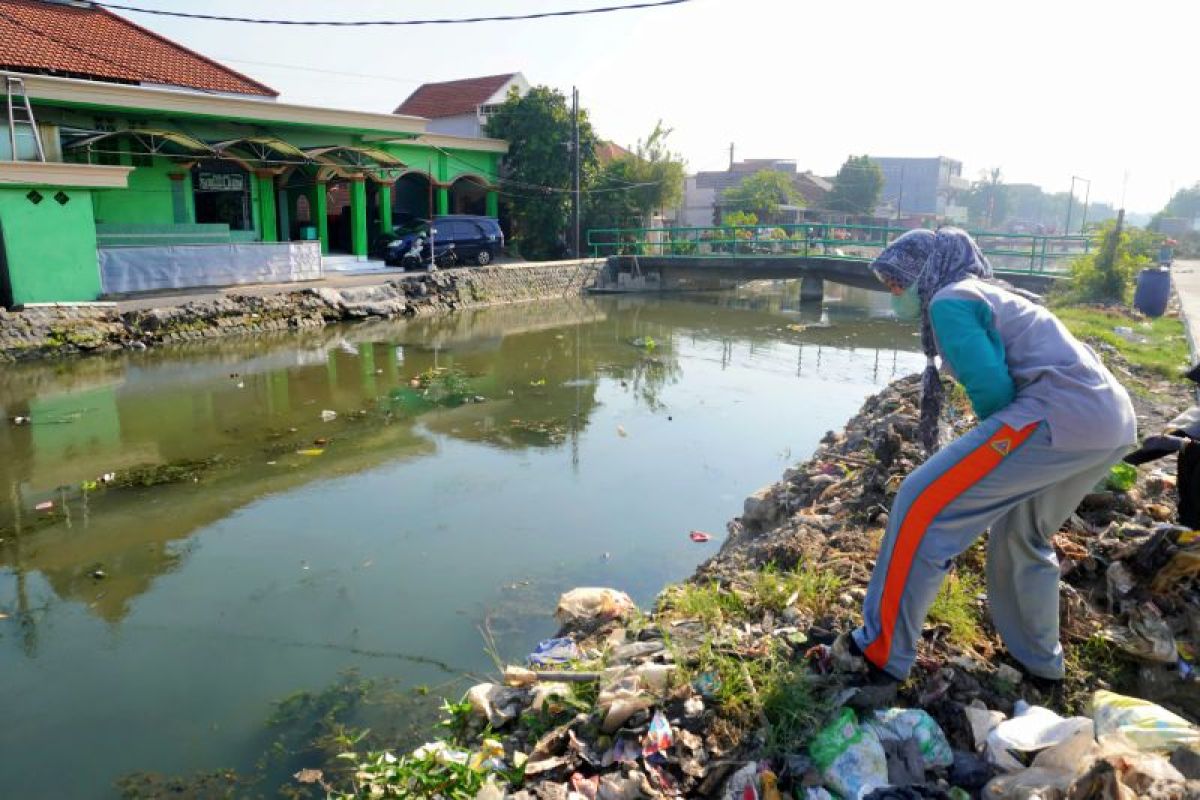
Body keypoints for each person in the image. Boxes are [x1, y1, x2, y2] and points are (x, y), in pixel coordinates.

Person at [836, 227, 1137, 688]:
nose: (894, 293)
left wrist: (979, 459)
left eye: (898, 281)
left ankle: (879, 651)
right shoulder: (989, 292)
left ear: (924, 271)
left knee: (921, 501)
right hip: (1108, 422)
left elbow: (995, 394)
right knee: (1022, 531)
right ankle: (1040, 664)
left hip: (1055, 417)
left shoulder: (949, 300)